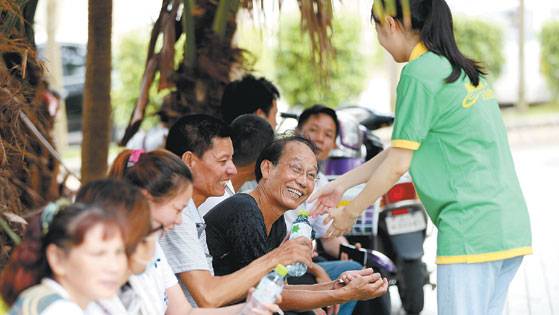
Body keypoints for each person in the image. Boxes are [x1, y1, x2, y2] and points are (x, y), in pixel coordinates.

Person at [309, 1, 533, 314]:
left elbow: (400, 162)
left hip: (470, 230)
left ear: (389, 24)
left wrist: (353, 211)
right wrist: (342, 184)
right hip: (508, 227)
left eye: (376, 29)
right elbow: (403, 149)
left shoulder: (418, 73)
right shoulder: (464, 70)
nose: (379, 39)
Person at [205, 136, 389, 314]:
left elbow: (278, 287)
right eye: (296, 168)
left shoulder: (277, 224)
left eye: (311, 175)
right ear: (267, 168)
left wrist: (336, 285)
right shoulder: (246, 211)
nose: (302, 181)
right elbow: (269, 295)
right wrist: (340, 295)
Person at [161, 114, 313, 308]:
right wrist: (277, 257)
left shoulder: (191, 213)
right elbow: (208, 297)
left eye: (311, 175)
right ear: (189, 160)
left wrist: (337, 290)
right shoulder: (175, 217)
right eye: (223, 161)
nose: (233, 170)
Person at [77, 177, 278, 315]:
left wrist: (247, 308)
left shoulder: (152, 247)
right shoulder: (91, 291)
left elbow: (184, 312)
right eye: (177, 209)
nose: (180, 221)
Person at [0, 201, 128, 314]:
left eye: (119, 252)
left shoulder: (39, 297)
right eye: (98, 254)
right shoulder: (61, 310)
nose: (115, 267)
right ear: (57, 258)